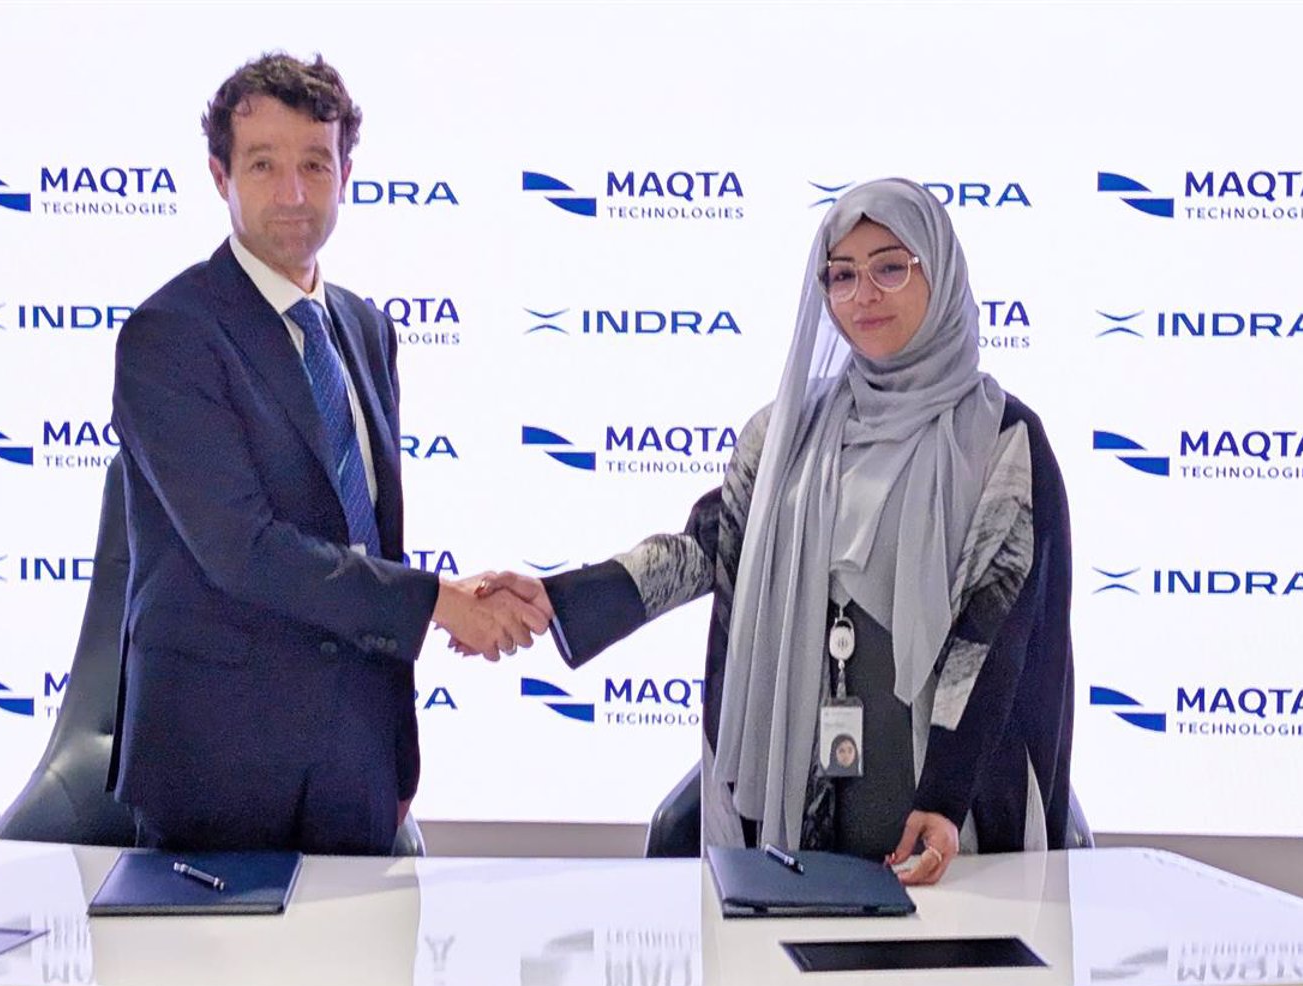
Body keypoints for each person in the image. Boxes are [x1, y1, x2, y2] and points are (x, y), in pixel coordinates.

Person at [480, 178, 1075, 886]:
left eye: (890, 267)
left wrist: (945, 800)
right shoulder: (788, 430)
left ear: (940, 274)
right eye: (842, 275)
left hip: (944, 797)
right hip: (801, 786)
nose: (863, 295)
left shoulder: (1002, 439)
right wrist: (558, 597)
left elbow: (993, 634)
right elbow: (705, 548)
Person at [108, 52, 548, 855]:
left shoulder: (364, 329)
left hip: (359, 760)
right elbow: (244, 551)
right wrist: (437, 602)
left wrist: (395, 744)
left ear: (346, 173)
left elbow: (369, 539)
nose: (293, 193)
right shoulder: (170, 334)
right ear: (219, 177)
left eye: (315, 164)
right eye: (263, 165)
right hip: (219, 765)